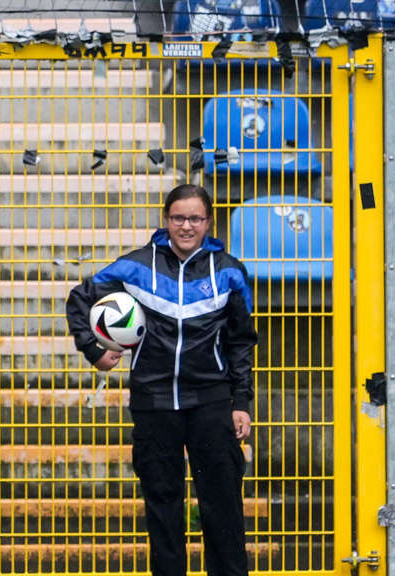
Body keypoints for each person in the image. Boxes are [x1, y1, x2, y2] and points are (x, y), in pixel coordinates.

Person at [65, 184, 258, 576]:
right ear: (165, 220)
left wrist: (241, 402)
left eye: (196, 218)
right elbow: (79, 299)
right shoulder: (136, 266)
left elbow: (241, 341)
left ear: (209, 222)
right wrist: (95, 351)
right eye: (178, 218)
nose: (186, 226)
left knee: (221, 505)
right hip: (154, 404)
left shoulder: (230, 272)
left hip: (212, 402)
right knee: (163, 504)